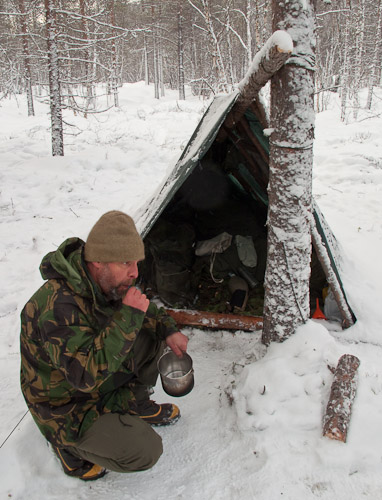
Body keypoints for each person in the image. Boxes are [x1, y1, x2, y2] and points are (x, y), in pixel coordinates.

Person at [20, 210, 188, 481]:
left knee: (151, 334)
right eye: (125, 262)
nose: (134, 273)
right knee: (145, 450)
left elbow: (144, 312)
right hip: (66, 405)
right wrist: (129, 318)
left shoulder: (105, 281)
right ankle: (68, 447)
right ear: (97, 260)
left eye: (136, 262)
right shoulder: (57, 308)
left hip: (95, 379)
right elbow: (84, 377)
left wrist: (168, 330)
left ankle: (136, 403)